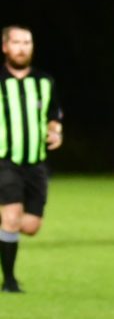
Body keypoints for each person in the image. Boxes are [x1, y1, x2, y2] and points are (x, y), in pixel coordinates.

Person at [0, 25, 63, 294]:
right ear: (5, 47)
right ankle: (9, 281)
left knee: (30, 226)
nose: (22, 48)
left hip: (36, 164)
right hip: (5, 160)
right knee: (11, 216)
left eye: (27, 42)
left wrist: (55, 132)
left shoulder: (44, 82)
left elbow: (53, 116)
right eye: (17, 42)